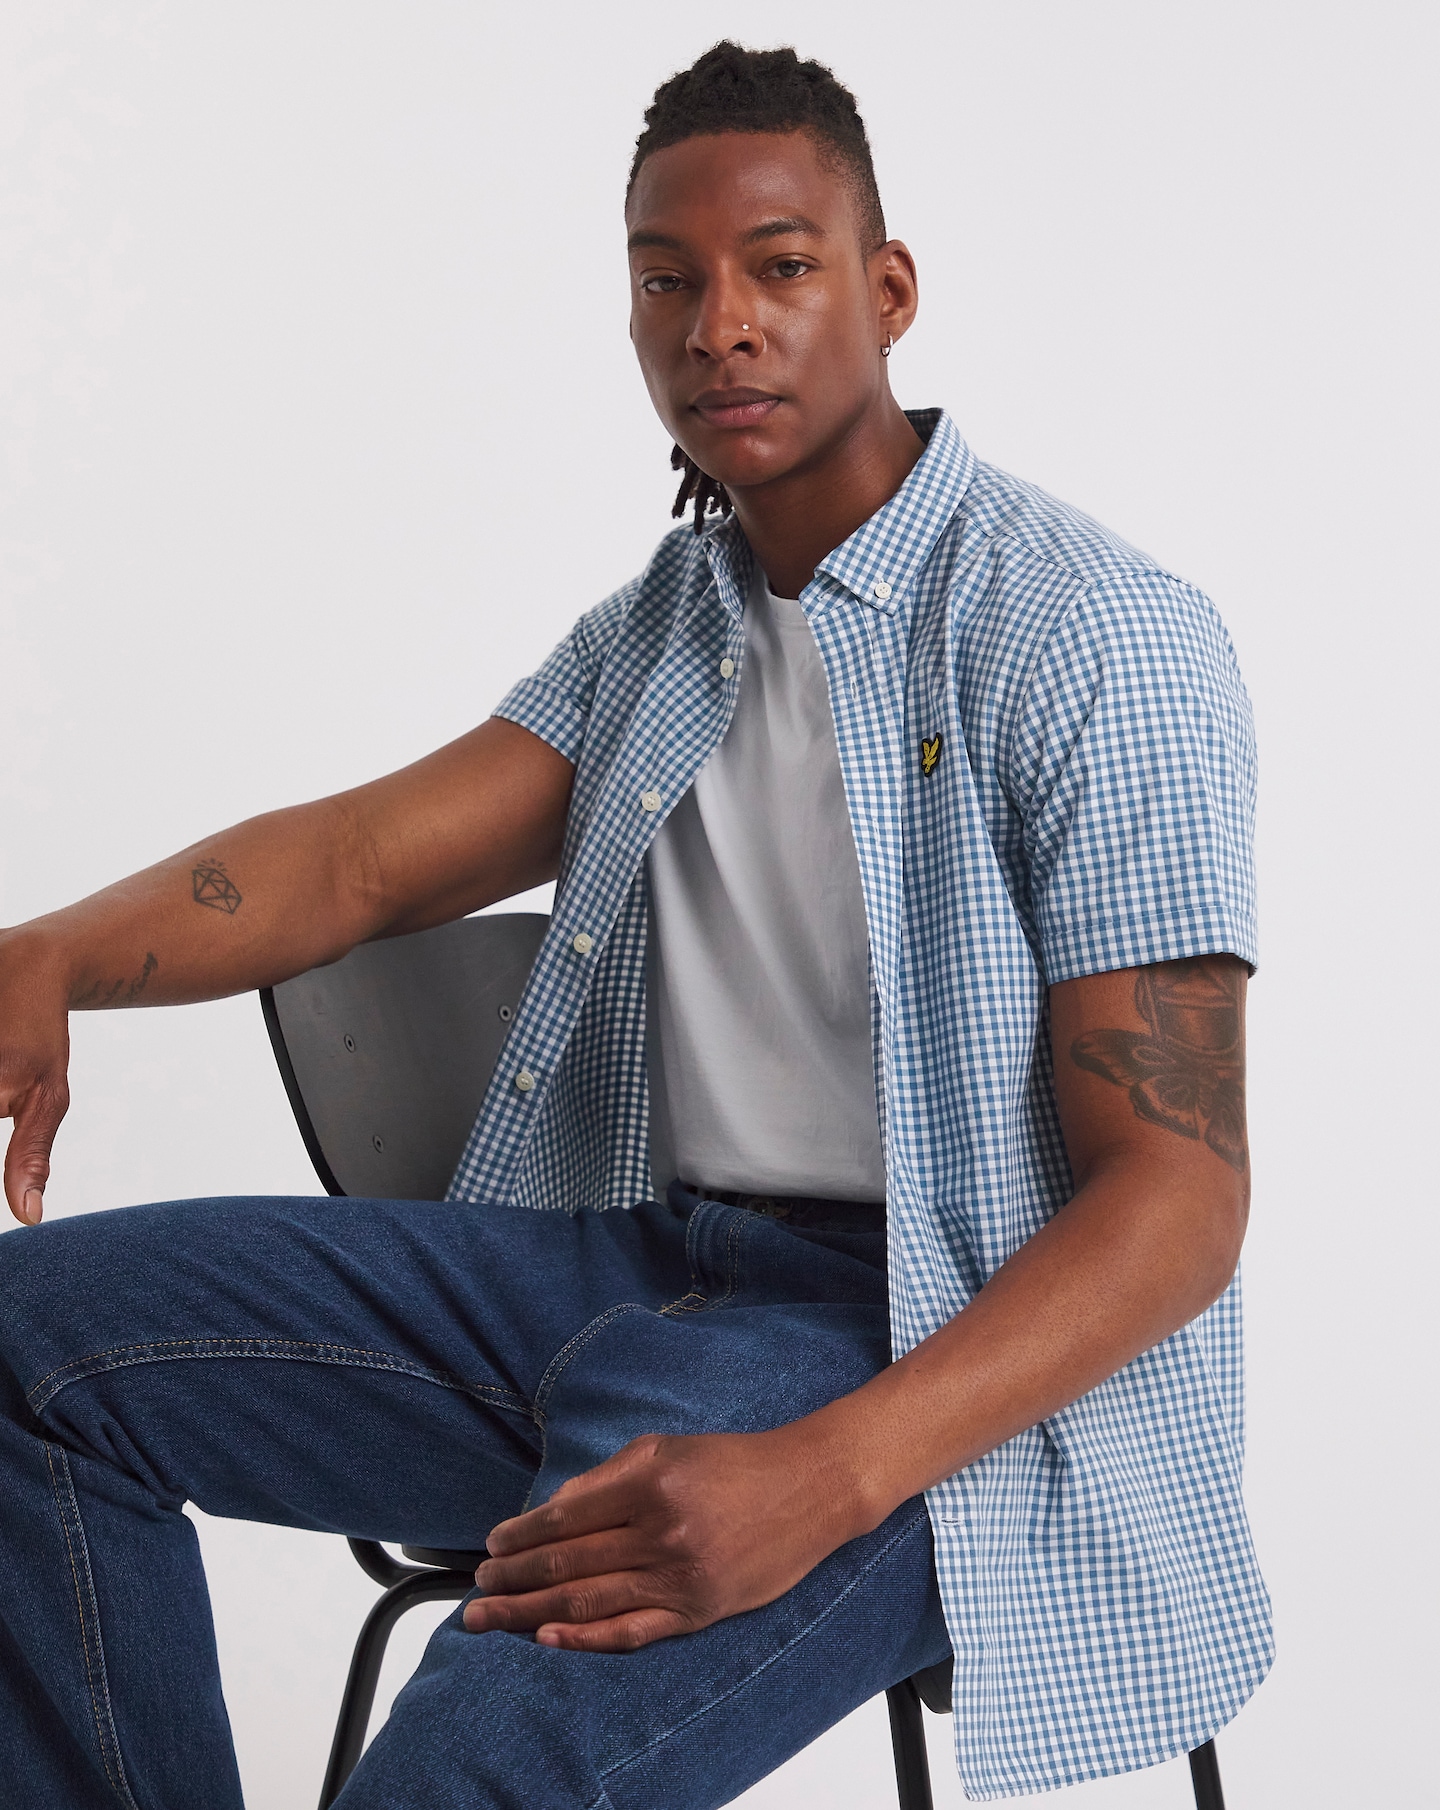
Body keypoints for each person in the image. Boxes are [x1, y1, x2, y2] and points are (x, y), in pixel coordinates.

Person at [0, 41, 1272, 1809]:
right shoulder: (672, 626)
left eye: (781, 266)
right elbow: (361, 860)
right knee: (30, 1346)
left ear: (889, 291)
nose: (720, 326)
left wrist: (830, 1473)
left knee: (458, 1777)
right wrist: (50, 953)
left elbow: (1180, 1200)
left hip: (916, 1351)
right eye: (668, 281)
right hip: (640, 1267)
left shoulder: (1093, 638)